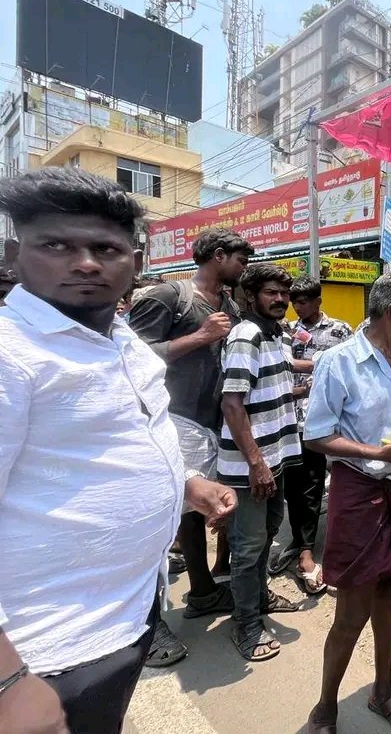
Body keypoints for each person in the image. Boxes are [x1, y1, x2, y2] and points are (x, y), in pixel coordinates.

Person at [0, 168, 235, 734]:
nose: (84, 263)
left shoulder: (121, 339)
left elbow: (111, 446)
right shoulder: (11, 355)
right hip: (45, 650)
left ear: (135, 259)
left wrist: (183, 485)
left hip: (127, 616)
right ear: (15, 254)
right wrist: (9, 683)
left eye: (105, 247)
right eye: (56, 245)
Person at [304, 272, 391, 734]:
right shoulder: (339, 362)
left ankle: (382, 689)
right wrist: (375, 453)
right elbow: (316, 435)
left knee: (388, 593)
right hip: (358, 493)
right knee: (351, 612)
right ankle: (325, 707)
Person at [128, 227, 254, 665]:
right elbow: (131, 358)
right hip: (172, 422)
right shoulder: (169, 296)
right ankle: (146, 625)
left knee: (196, 515)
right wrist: (199, 337)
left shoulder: (232, 304)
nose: (244, 267)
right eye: (240, 259)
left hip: (212, 423)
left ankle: (201, 591)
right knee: (161, 523)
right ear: (218, 256)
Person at [220, 263, 305, 661]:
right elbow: (232, 404)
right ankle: (247, 624)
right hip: (250, 465)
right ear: (250, 296)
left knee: (268, 534)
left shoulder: (279, 335)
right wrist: (256, 464)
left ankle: (259, 599)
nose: (280, 300)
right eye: (271, 293)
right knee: (249, 545)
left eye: (283, 294)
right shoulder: (245, 335)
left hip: (277, 457)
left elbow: (274, 387)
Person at [270, 276, 353, 595]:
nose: (298, 307)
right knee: (296, 484)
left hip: (325, 421)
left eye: (303, 301)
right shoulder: (286, 330)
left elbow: (346, 370)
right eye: (295, 302)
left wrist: (309, 373)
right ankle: (301, 543)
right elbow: (279, 368)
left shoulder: (340, 330)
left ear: (318, 301)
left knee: (319, 484)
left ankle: (310, 548)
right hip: (291, 419)